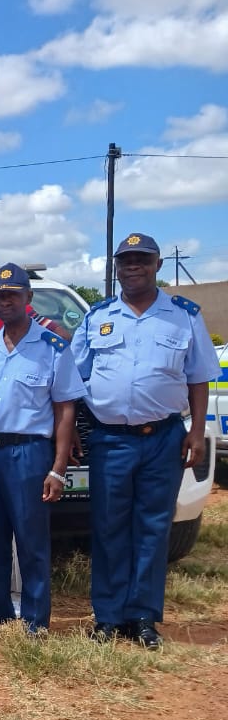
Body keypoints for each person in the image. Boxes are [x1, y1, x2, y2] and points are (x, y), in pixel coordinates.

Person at [70, 233, 218, 648]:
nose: (133, 267)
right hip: (111, 440)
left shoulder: (183, 315)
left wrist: (196, 432)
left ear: (156, 265)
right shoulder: (98, 316)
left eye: (142, 260)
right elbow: (73, 377)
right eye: (125, 261)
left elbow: (199, 377)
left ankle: (143, 617)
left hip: (164, 438)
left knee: (153, 528)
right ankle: (108, 616)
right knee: (109, 528)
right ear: (116, 268)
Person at [0, 265, 84, 638]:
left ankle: (35, 621)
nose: (6, 301)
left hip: (29, 455)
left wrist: (58, 468)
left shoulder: (52, 348)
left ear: (29, 299)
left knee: (31, 541)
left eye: (13, 294)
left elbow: (65, 410)